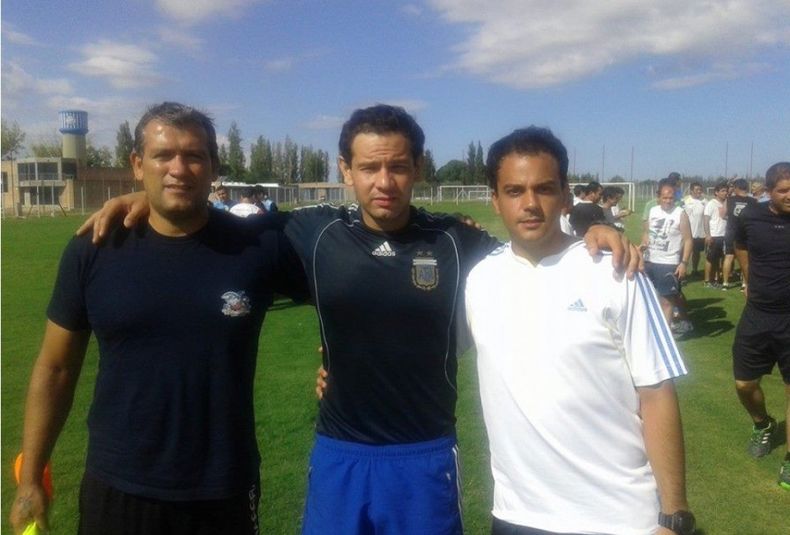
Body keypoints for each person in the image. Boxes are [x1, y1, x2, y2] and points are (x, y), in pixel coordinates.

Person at [79, 104, 638, 535]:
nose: (384, 181)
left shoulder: (455, 241)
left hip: (424, 455)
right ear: (346, 170)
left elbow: (530, 251)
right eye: (369, 167)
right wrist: (140, 197)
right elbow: (209, 230)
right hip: (339, 453)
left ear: (417, 167)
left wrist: (590, 233)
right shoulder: (310, 234)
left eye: (397, 166)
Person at [9, 102, 308, 534]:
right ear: (137, 164)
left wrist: (339, 362)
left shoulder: (258, 246)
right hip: (118, 486)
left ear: (213, 167)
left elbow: (347, 274)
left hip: (223, 487)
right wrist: (31, 478)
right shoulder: (93, 248)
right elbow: (55, 368)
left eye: (194, 156)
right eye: (163, 155)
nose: (179, 169)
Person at [466, 127, 693, 535]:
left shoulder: (615, 270)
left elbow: (657, 392)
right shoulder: (480, 280)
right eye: (515, 191)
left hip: (618, 517)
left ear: (566, 196)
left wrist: (674, 515)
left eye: (545, 189)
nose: (531, 204)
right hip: (517, 516)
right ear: (494, 200)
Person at [731, 162, 790, 490]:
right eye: (783, 190)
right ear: (769, 192)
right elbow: (740, 244)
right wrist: (748, 277)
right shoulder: (751, 216)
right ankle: (762, 423)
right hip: (758, 314)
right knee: (744, 383)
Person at [642, 180, 693, 334]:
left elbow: (688, 239)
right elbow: (646, 232)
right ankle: (651, 330)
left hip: (668, 262)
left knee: (667, 301)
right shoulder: (653, 211)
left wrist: (683, 263)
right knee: (649, 298)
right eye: (664, 198)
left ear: (674, 198)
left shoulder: (680, 214)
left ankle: (664, 335)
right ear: (659, 197)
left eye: (670, 198)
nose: (667, 201)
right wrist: (644, 241)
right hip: (649, 260)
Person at [722, 178, 756, 290]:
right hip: (746, 233)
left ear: (736, 188)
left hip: (732, 232)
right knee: (746, 259)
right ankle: (744, 284)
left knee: (729, 256)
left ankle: (725, 283)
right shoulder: (753, 201)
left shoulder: (730, 199)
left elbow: (723, 214)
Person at [703, 181, 728, 288]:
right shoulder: (711, 204)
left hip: (724, 235)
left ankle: (716, 280)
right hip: (714, 235)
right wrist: (708, 235)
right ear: (716, 192)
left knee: (718, 259)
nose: (725, 193)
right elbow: (705, 220)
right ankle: (707, 281)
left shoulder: (725, 203)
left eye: (726, 191)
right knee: (710, 258)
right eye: (722, 191)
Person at [683, 182, 706, 277]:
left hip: (700, 233)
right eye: (696, 189)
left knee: (696, 253)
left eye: (700, 189)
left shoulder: (705, 201)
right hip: (687, 232)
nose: (699, 191)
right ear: (691, 190)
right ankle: (682, 273)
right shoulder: (685, 201)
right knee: (684, 253)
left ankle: (694, 270)